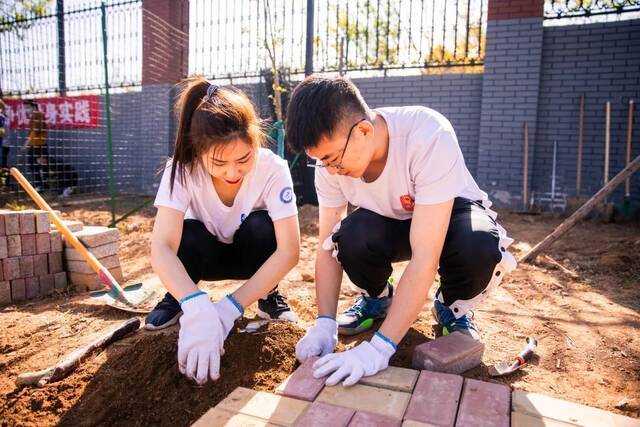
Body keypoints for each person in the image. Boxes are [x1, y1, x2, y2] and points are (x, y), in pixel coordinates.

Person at [285, 75, 516, 386]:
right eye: (320, 162)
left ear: (363, 131)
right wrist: (324, 322)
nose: (330, 170)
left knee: (478, 245)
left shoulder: (427, 135)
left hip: (449, 218)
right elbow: (327, 246)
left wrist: (380, 348)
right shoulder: (330, 163)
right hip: (388, 220)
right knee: (348, 237)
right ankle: (376, 298)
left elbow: (425, 256)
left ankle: (452, 306)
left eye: (332, 160)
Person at [147, 77, 301, 384]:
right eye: (219, 163)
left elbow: (289, 251)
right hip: (204, 257)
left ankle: (267, 294)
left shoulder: (273, 169)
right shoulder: (180, 170)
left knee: (262, 228)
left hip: (251, 258)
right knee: (185, 236)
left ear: (256, 141)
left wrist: (230, 308)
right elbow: (162, 247)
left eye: (243, 159)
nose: (232, 172)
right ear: (199, 151)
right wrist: (197, 305)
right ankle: (180, 297)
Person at [21, 100, 48, 191]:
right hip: (34, 144)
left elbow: (35, 131)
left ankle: (44, 185)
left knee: (42, 165)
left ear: (34, 106)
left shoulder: (38, 115)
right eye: (25, 108)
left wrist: (26, 143)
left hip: (40, 144)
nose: (26, 110)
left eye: (27, 107)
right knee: (33, 165)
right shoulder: (33, 117)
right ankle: (39, 185)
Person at [0, 99, 9, 170]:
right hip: (4, 144)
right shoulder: (3, 117)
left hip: (3, 145)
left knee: (3, 164)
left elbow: (4, 132)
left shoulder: (1, 117)